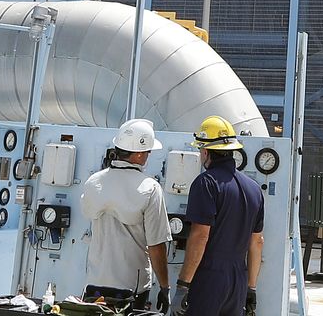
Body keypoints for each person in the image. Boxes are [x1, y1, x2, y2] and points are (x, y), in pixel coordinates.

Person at [170, 116, 265, 316]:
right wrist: (251, 288)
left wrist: (183, 285)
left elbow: (200, 235)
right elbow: (257, 242)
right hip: (238, 279)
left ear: (205, 151)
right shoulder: (254, 189)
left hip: (209, 278)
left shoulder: (206, 183)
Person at [79, 117, 171, 311]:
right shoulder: (150, 188)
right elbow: (156, 246)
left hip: (94, 284)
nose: (147, 156)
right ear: (138, 155)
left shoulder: (93, 182)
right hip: (131, 288)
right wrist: (165, 287)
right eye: (147, 151)